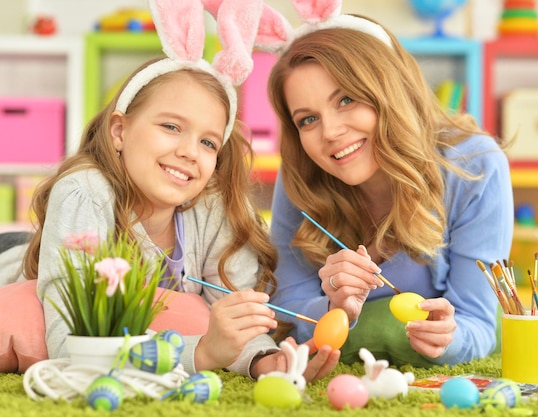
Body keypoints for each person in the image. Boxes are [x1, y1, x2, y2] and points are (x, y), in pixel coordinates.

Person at [0, 0, 338, 380]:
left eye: (209, 143)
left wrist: (266, 361)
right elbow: (71, 343)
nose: (189, 152)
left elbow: (235, 317)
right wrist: (203, 351)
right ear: (119, 131)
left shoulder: (213, 209)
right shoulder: (84, 192)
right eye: (171, 127)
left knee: (194, 312)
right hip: (12, 257)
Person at [258, 2, 514, 366]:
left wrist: (450, 338)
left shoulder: (475, 165)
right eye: (308, 119)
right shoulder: (301, 171)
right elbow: (289, 308)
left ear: (389, 90)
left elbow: (478, 322)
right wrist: (334, 308)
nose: (329, 132)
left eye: (346, 99)